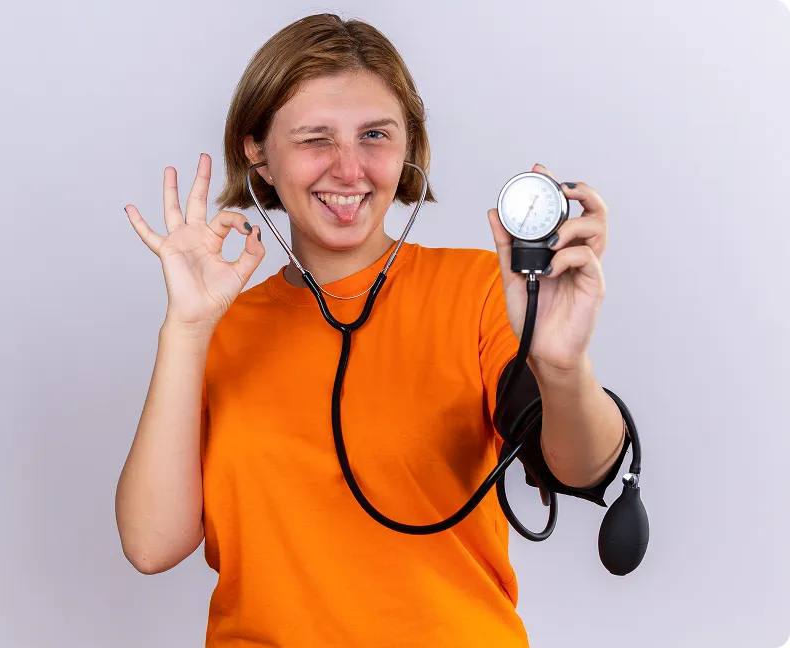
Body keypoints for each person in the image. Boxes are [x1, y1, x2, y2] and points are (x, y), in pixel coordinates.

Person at [115, 13, 631, 648]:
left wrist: (561, 367)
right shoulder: (219, 329)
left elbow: (581, 469)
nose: (349, 168)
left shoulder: (479, 292)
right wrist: (187, 329)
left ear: (408, 148)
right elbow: (150, 545)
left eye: (375, 135)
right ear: (259, 154)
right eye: (315, 139)